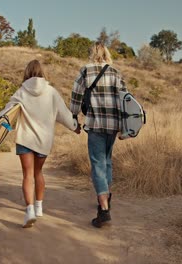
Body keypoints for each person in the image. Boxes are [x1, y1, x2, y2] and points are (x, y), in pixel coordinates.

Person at [0, 60, 81, 228]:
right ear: (42, 72)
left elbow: (6, 112)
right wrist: (75, 127)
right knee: (38, 172)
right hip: (43, 140)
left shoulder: (21, 92)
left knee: (27, 175)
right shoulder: (51, 92)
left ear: (27, 72)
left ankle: (29, 210)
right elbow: (64, 114)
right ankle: (39, 206)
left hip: (25, 139)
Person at [70, 42, 127, 228]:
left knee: (97, 164)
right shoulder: (115, 72)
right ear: (107, 54)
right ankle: (106, 198)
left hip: (95, 124)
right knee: (107, 162)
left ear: (91, 53)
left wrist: (74, 116)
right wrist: (125, 127)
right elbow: (125, 99)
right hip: (113, 125)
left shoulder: (85, 70)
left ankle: (103, 209)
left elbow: (76, 95)